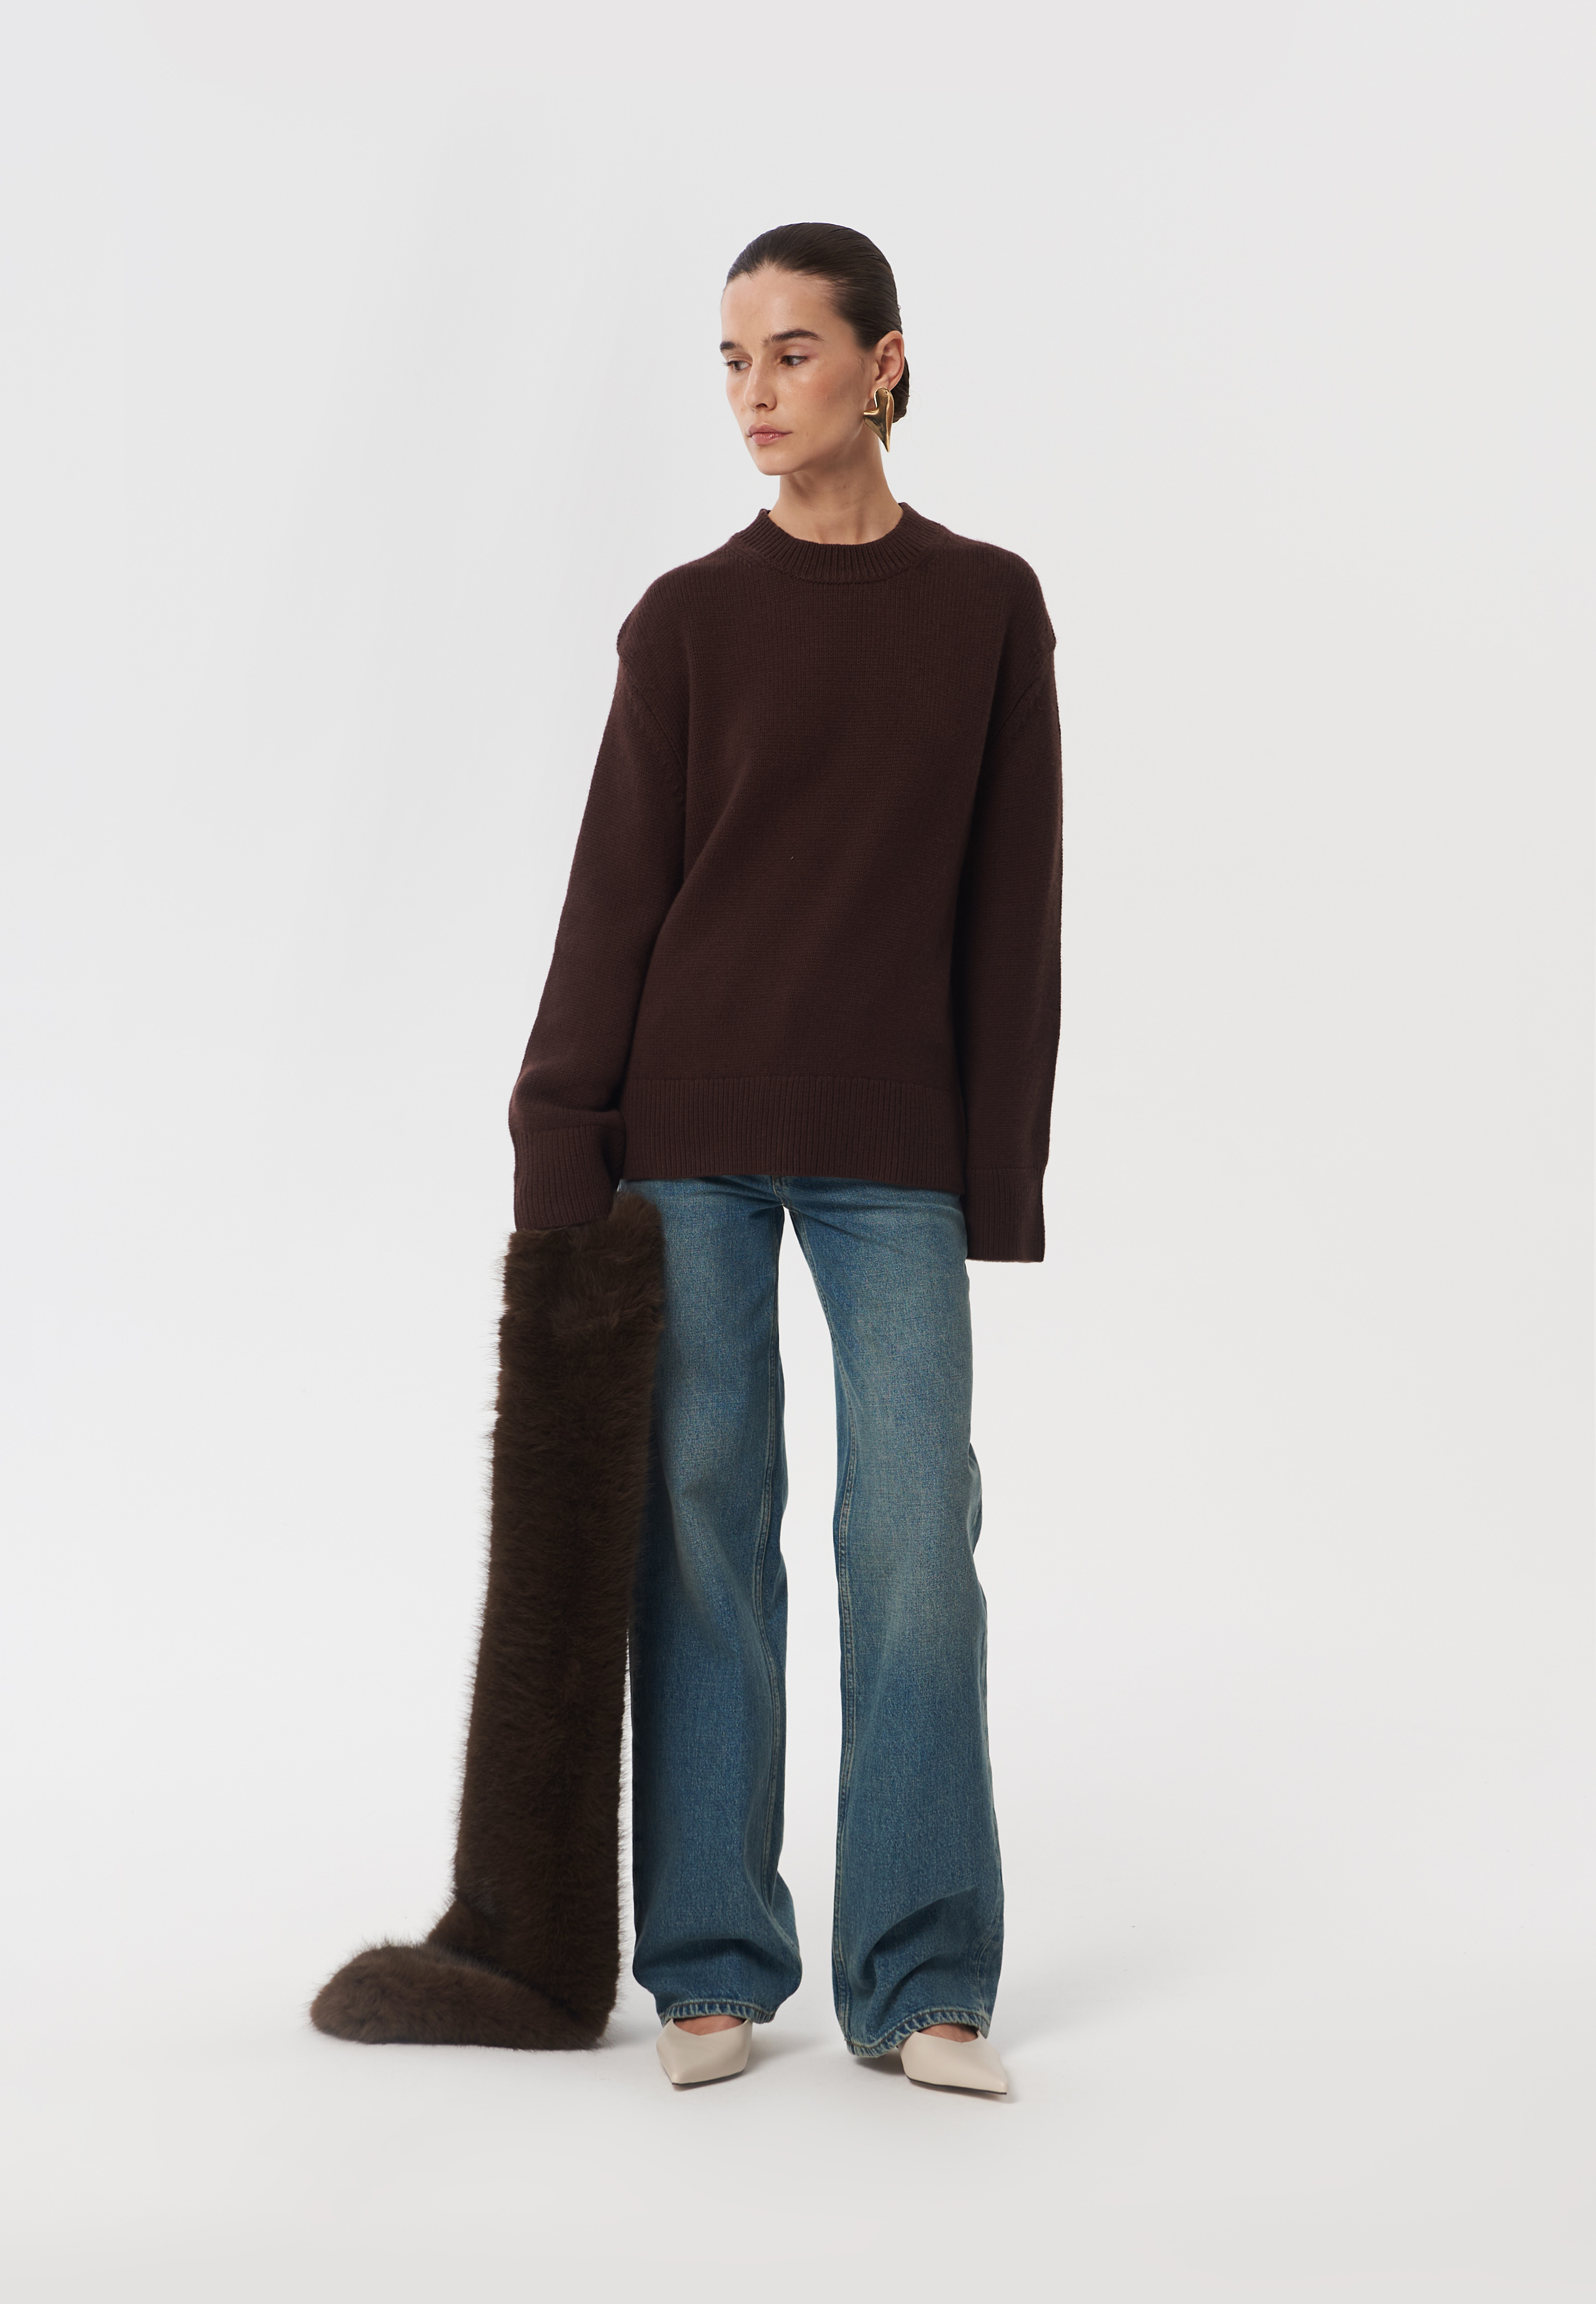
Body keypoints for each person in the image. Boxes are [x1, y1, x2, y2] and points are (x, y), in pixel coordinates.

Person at [508, 221, 1061, 2095]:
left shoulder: (987, 606)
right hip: (685, 1134)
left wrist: (1000, 1169)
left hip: (890, 1137)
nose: (756, 392)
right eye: (734, 359)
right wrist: (560, 1148)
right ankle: (710, 1966)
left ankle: (925, 1979)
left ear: (884, 365)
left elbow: (1014, 907)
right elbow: (617, 899)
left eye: (795, 352)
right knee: (701, 1530)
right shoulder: (685, 621)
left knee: (914, 1540)